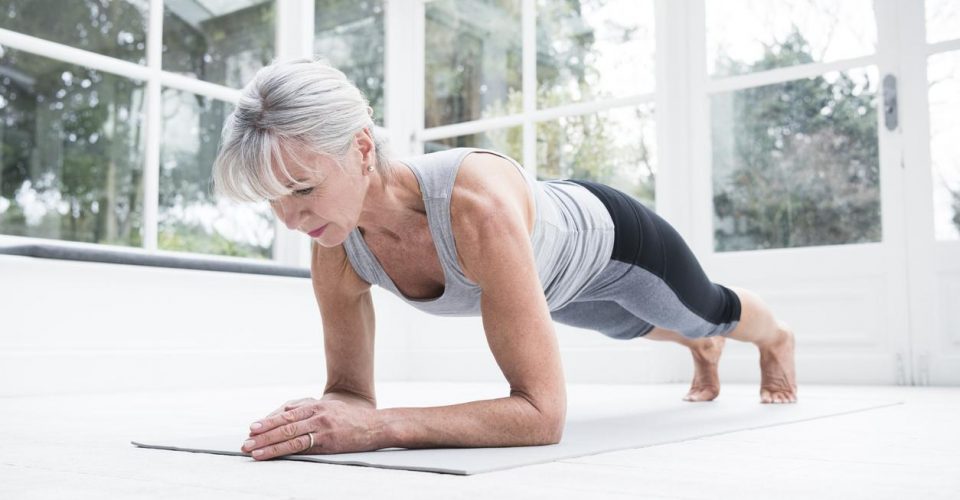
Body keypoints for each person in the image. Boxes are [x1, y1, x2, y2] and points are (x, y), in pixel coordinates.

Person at [214, 59, 797, 462]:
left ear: (362, 149)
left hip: (615, 243)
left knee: (708, 312)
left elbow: (542, 416)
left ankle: (775, 341)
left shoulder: (476, 208)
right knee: (634, 327)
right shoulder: (335, 244)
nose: (288, 220)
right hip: (552, 280)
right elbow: (349, 393)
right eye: (273, 200)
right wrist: (324, 416)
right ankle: (698, 350)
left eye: (302, 189)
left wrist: (381, 427)